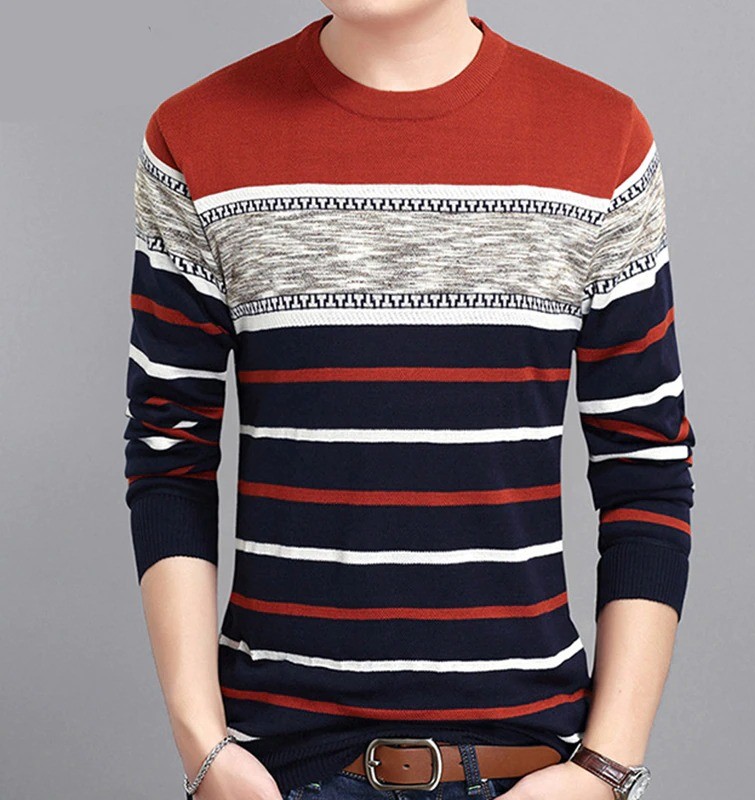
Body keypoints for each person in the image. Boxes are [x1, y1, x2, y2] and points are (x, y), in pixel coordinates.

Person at [123, 2, 697, 799]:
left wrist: (604, 768)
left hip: (526, 769)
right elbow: (169, 450)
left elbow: (647, 465)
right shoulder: (198, 137)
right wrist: (203, 746)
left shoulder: (601, 141)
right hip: (283, 772)